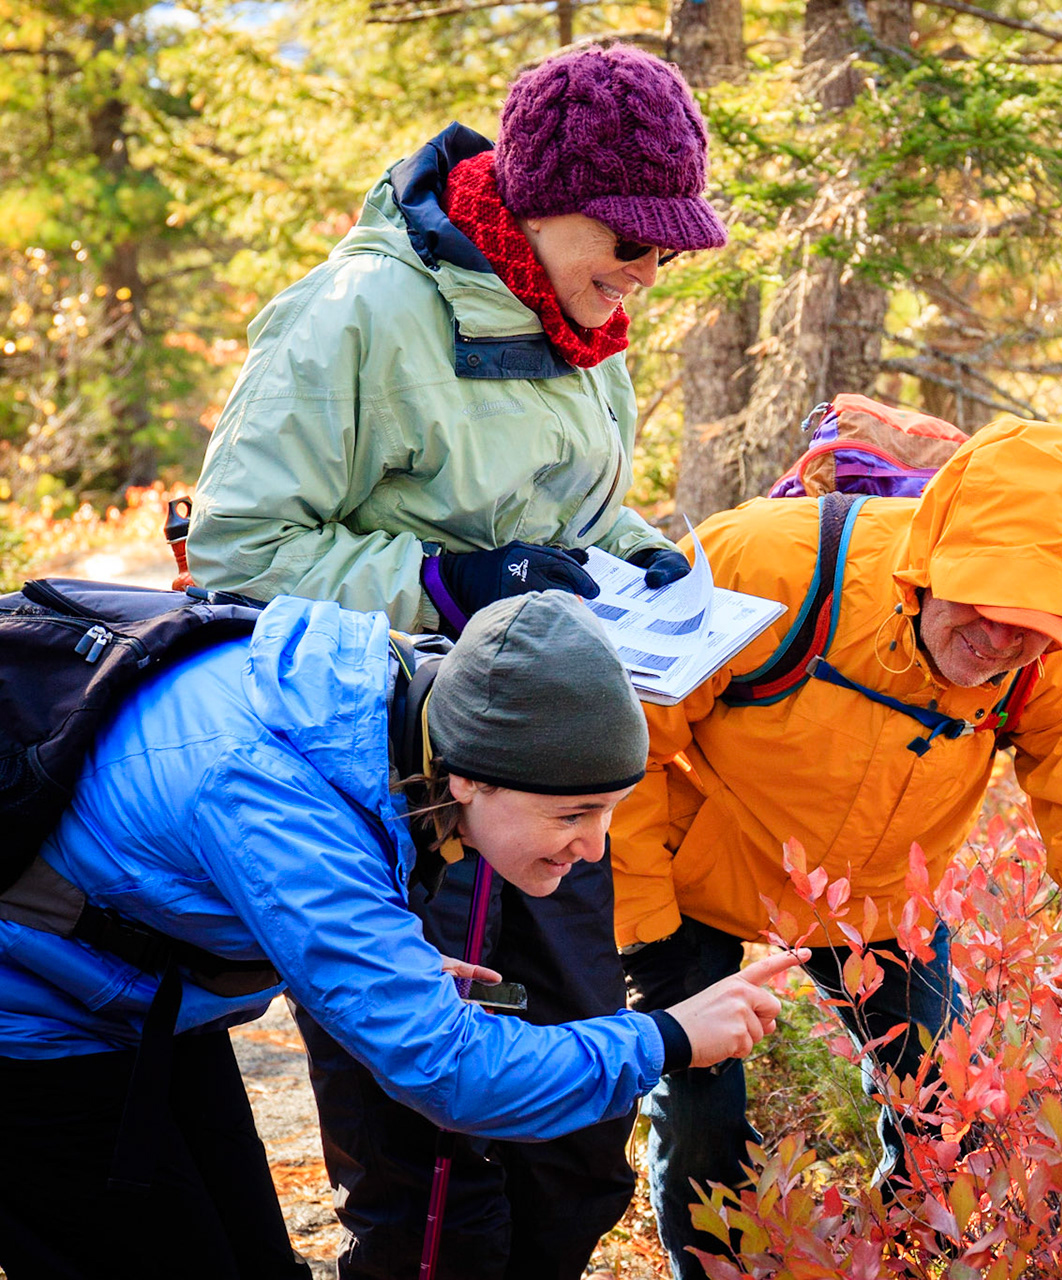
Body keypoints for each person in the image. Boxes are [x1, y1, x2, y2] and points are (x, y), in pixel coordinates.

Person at [182, 44, 725, 1279]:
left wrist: (642, 559)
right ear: (535, 199)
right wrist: (445, 582)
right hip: (396, 776)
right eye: (628, 241)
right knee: (436, 1172)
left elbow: (574, 515)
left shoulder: (581, 323)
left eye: (663, 249)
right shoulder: (363, 312)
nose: (646, 273)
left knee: (576, 1149)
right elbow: (237, 552)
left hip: (549, 775)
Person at [0, 591, 806, 1280]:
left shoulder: (397, 704)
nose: (594, 847)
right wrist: (667, 1038)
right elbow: (452, 1077)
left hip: (144, 1002)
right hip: (34, 1026)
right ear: (471, 778)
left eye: (609, 810)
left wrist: (387, 951)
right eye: (572, 813)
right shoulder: (278, 795)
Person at [612, 417, 1062, 1280]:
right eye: (985, 606)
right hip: (693, 870)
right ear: (931, 559)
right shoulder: (763, 565)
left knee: (946, 1105)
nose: (1003, 642)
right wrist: (645, 931)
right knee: (703, 1117)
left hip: (878, 894)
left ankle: (910, 1259)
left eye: (1030, 625)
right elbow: (622, 741)